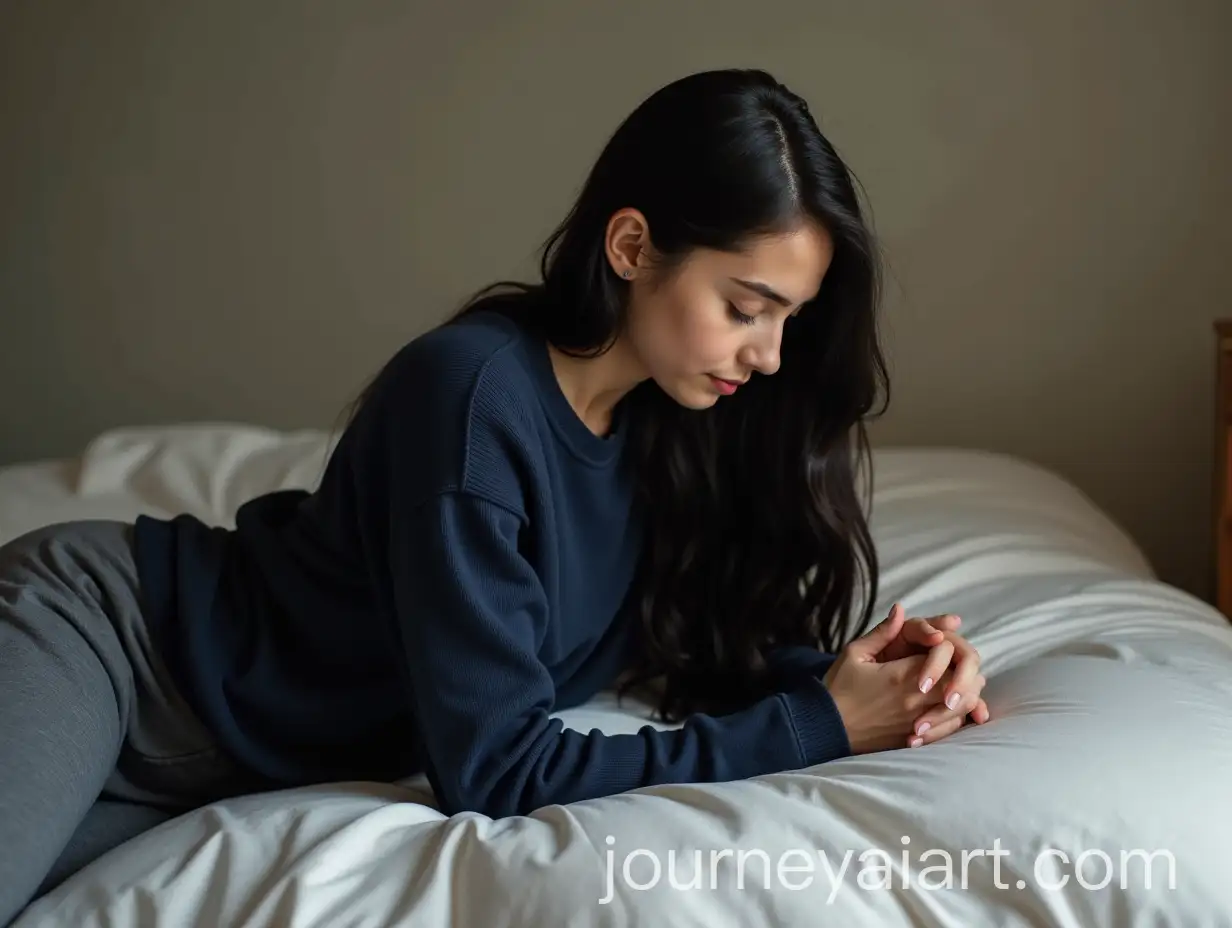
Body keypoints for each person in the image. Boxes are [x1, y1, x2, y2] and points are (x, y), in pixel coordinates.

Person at [0, 67, 989, 923]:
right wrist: (816, 725)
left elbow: (686, 643)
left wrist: (875, 682)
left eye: (787, 320)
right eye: (744, 308)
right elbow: (501, 770)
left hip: (222, 758)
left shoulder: (670, 427)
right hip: (111, 651)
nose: (767, 355)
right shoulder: (471, 398)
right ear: (633, 246)